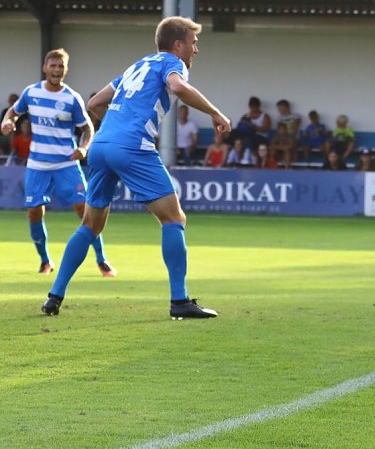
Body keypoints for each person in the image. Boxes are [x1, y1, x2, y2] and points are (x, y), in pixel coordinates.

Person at [39, 16, 231, 319]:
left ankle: (54, 297)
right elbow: (178, 88)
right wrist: (215, 112)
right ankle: (179, 301)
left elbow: (94, 103)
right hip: (131, 145)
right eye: (194, 43)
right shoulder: (173, 63)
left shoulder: (137, 66)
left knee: (90, 225)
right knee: (173, 218)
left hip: (101, 146)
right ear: (178, 45)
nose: (196, 50)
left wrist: (115, 127)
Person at [1, 48, 115, 276]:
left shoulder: (71, 98)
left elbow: (87, 128)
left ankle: (101, 259)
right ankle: (45, 261)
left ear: (66, 70)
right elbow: (13, 112)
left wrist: (83, 148)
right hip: (38, 164)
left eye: (60, 66)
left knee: (85, 211)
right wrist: (6, 122)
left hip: (66, 163)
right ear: (45, 68)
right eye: (53, 65)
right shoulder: (31, 93)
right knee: (34, 212)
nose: (56, 70)